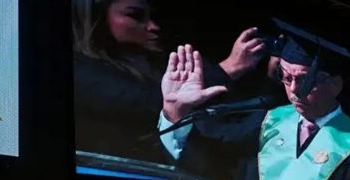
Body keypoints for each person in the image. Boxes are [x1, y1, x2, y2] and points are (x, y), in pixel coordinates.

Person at [159, 23, 350, 180]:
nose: (293, 90)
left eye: (304, 80)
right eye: (286, 77)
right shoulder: (265, 121)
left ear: (335, 85)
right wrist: (174, 112)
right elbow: (206, 161)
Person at [72, 0, 259, 162]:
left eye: (152, 16)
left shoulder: (153, 64)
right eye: (135, 15)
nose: (153, 26)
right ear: (99, 18)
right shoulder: (80, 69)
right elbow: (144, 101)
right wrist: (229, 68)